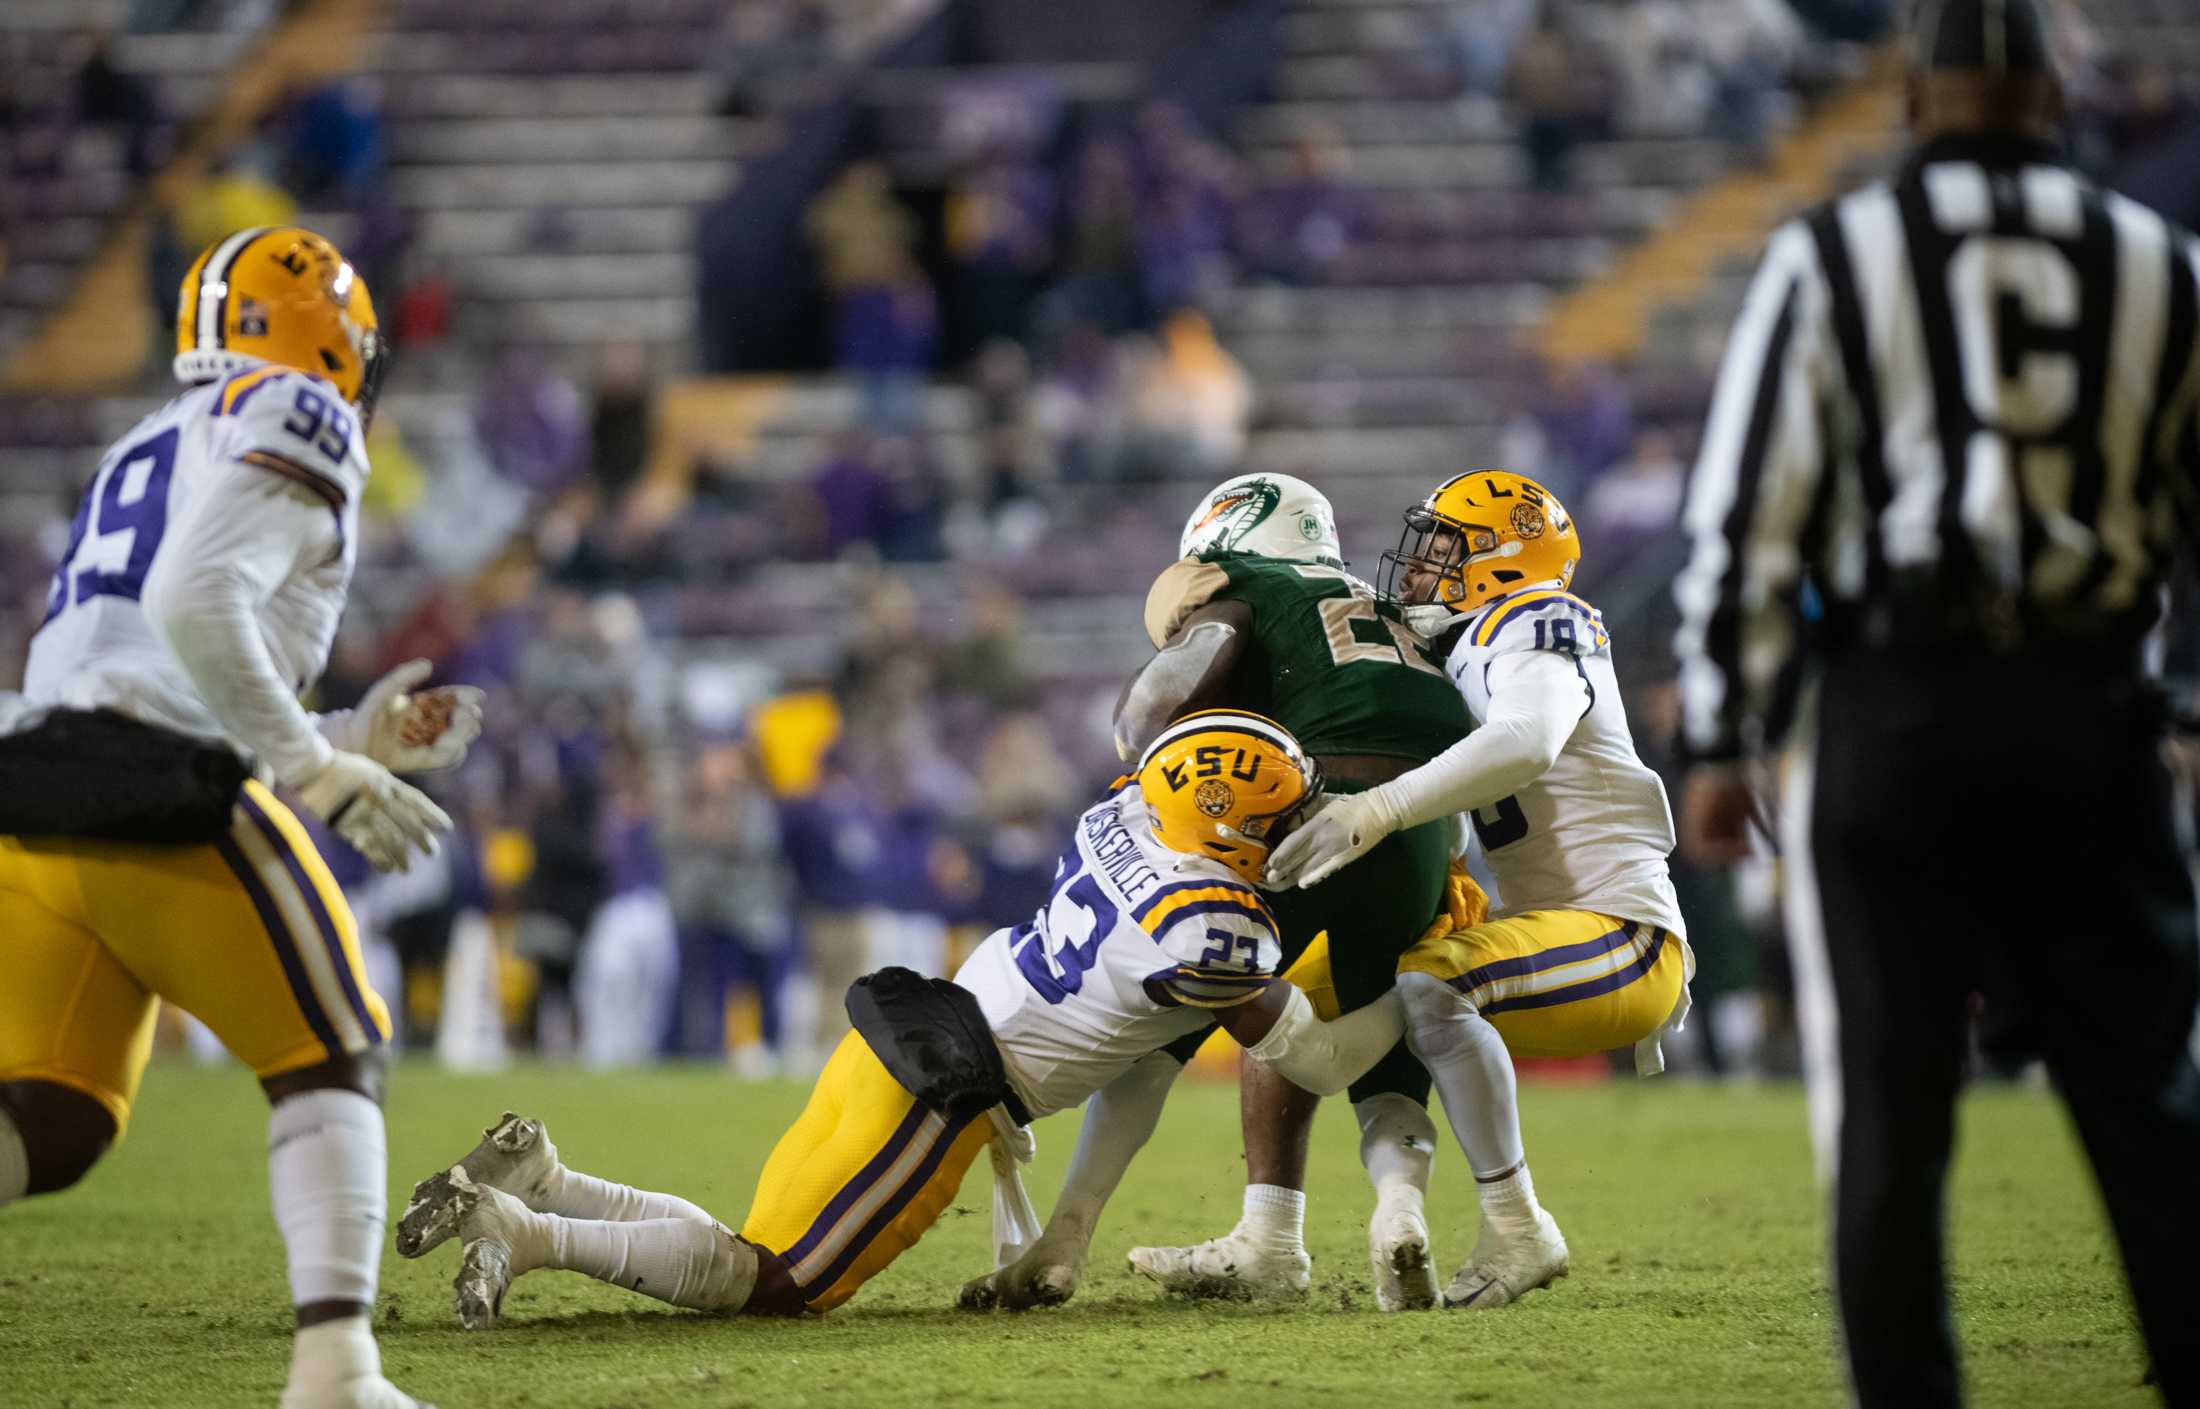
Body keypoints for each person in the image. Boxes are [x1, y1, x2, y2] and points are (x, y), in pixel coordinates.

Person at [1670, 3, 2200, 1402]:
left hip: (1899, 712)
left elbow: (1750, 516)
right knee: (2151, 1111)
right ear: (2056, 97)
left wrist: (1721, 734)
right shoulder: (2161, 264)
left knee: (1891, 1131)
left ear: (1913, 95)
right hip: (2099, 712)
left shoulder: (1835, 257)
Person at [392, 712, 1424, 1323]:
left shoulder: (1122, 812)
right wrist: (1427, 980)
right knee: (781, 1282)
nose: (1296, 828)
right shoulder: (1211, 931)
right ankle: (527, 1233)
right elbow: (1324, 1061)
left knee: (757, 1241)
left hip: (911, 1021)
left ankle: (549, 1181)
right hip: (951, 1089)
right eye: (1278, 816)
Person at [0, 227, 483, 1409]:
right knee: (332, 1052)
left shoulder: (151, 437)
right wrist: (319, 774)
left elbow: (145, 656)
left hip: (34, 796)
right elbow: (190, 608)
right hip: (153, 790)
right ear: (335, 337)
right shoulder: (300, 413)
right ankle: (337, 1370)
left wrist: (344, 736)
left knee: (54, 1115)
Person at [1264, 470, 1693, 1307]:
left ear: (1504, 558)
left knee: (1433, 983)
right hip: (1546, 930)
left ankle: (1519, 1223)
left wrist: (1379, 811)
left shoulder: (1539, 617)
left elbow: (1527, 741)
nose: (1418, 566)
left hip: (1625, 934)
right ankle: (1285, 1230)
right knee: (1310, 992)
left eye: (1442, 547)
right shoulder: (1464, 646)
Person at [1111, 473, 1475, 1311]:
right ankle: (1398, 1212)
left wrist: (1135, 781)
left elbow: (1151, 709)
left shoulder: (1246, 587)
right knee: (1373, 1018)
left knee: (1200, 989)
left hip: (1313, 811)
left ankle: (1077, 1233)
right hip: (1421, 830)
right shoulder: (1389, 610)